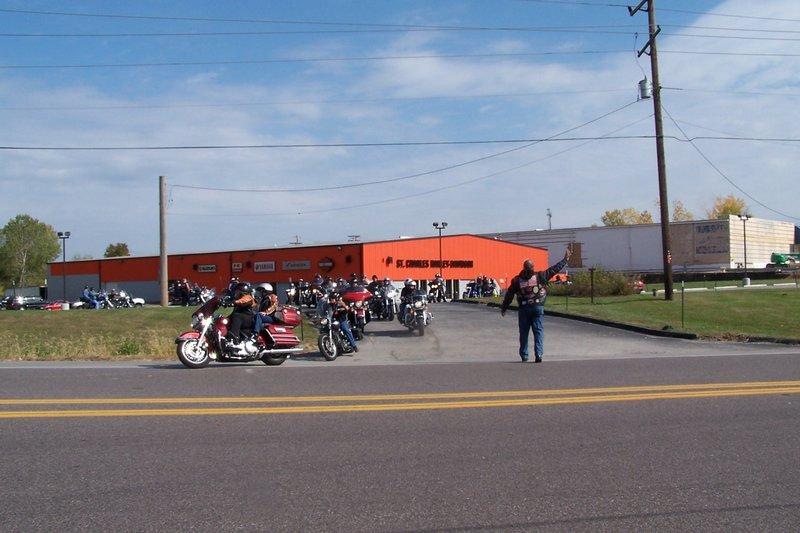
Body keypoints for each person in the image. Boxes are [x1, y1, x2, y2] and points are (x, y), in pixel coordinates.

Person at [500, 247, 572, 363]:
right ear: (533, 267)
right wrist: (565, 260)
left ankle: (524, 355)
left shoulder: (517, 280)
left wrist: (504, 308)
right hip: (537, 307)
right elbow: (554, 269)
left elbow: (509, 295)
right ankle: (538, 354)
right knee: (538, 331)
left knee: (524, 333)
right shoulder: (540, 276)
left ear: (523, 268)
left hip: (524, 309)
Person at [227, 282, 256, 347]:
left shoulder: (248, 297)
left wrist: (234, 302)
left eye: (237, 291)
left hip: (248, 317)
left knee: (236, 316)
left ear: (242, 292)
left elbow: (243, 301)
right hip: (244, 317)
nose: (235, 293)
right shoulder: (237, 298)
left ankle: (234, 337)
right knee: (226, 318)